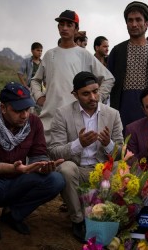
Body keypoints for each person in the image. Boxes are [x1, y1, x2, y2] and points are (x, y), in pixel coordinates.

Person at [0, 82, 65, 241]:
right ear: (3, 108)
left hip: (17, 181)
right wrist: (11, 168)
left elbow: (38, 154)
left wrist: (42, 167)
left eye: (27, 109)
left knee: (56, 180)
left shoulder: (34, 122)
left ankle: (13, 214)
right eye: (18, 110)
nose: (24, 115)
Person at [48, 71, 124, 243]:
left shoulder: (112, 114)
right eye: (86, 93)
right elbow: (54, 151)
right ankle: (78, 220)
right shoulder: (62, 114)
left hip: (102, 170)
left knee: (120, 167)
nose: (93, 97)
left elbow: (121, 152)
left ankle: (110, 215)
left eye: (95, 91)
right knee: (65, 168)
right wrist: (78, 144)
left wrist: (108, 144)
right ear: (75, 94)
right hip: (78, 170)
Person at [30, 10, 115, 141]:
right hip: (50, 117)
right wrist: (39, 96)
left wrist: (96, 99)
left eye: (69, 25)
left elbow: (108, 78)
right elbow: (35, 80)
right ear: (58, 27)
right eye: (61, 24)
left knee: (74, 157)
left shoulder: (84, 54)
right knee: (47, 158)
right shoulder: (49, 55)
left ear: (76, 29)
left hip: (77, 119)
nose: (64, 28)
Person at [107, 1, 148, 129]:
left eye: (138, 20)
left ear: (146, 23)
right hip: (122, 110)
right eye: (130, 20)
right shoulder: (117, 51)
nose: (134, 24)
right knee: (125, 146)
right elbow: (109, 83)